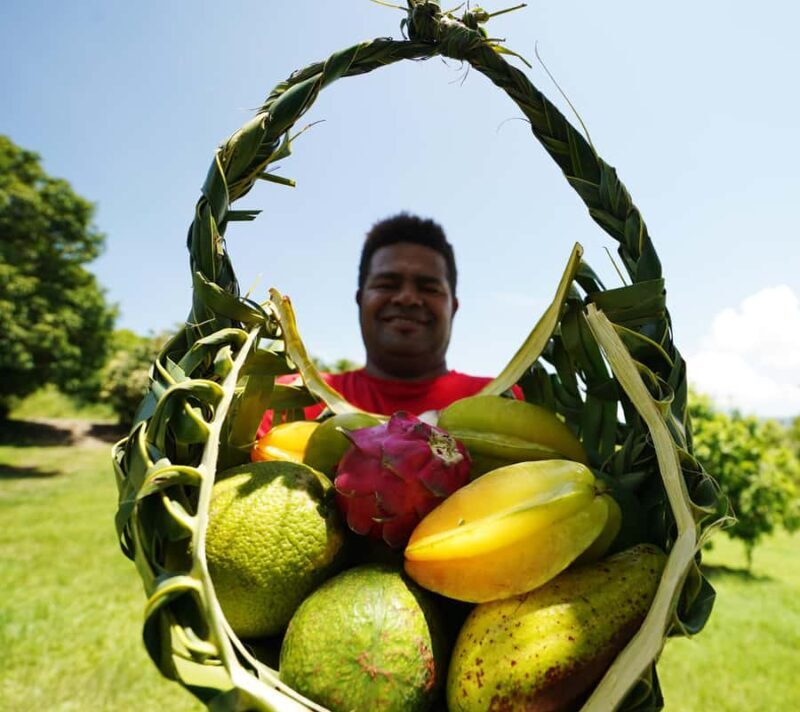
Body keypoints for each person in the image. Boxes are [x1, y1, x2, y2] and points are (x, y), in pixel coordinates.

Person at [257, 212, 520, 435]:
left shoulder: (508, 404)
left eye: (428, 288)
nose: (407, 298)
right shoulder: (286, 400)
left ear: (454, 307)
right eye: (387, 284)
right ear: (360, 300)